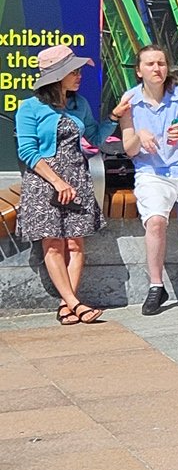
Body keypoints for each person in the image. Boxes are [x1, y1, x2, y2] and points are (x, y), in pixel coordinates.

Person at [16, 46, 113, 326]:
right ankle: (75, 303)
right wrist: (58, 182)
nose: (79, 76)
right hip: (45, 181)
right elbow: (28, 152)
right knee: (54, 244)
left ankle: (66, 304)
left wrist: (115, 119)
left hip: (77, 176)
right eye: (73, 71)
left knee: (76, 243)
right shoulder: (30, 108)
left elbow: (94, 136)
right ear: (57, 76)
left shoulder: (79, 103)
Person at [112, 45, 178, 316]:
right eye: (150, 64)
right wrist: (139, 135)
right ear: (139, 70)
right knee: (155, 221)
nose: (157, 69)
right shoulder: (130, 100)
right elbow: (130, 149)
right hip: (151, 173)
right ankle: (156, 286)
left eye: (161, 63)